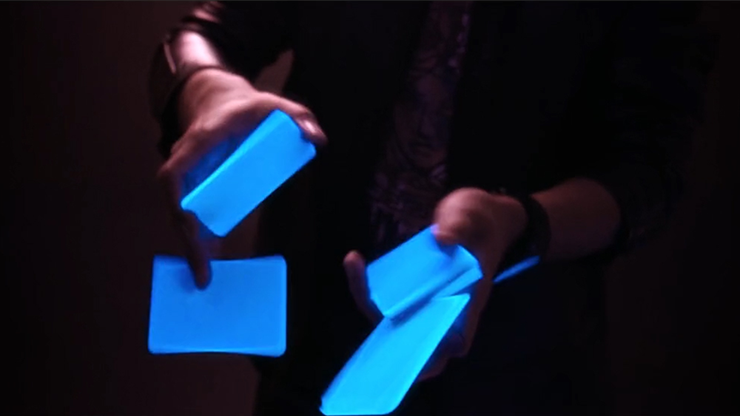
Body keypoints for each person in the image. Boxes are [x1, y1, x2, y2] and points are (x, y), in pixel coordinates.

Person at [148, 1, 715, 415]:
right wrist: (206, 88)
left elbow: (646, 172)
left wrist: (516, 224)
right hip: (313, 352)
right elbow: (204, 33)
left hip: (522, 373)